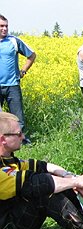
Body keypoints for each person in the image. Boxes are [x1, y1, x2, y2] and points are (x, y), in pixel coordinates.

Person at [0, 14, 36, 144]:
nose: (4, 29)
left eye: (6, 26)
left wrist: (23, 71)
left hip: (12, 84)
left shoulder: (14, 41)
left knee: (17, 117)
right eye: (1, 26)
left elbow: (32, 55)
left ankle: (21, 141)